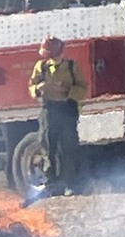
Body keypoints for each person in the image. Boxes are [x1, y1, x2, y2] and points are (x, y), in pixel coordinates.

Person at [28, 36, 90, 194]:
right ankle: (50, 184)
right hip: (49, 110)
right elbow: (32, 86)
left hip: (67, 109)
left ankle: (69, 184)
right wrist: (38, 89)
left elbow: (83, 88)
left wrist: (67, 91)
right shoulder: (41, 66)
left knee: (68, 148)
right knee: (48, 147)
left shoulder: (71, 66)